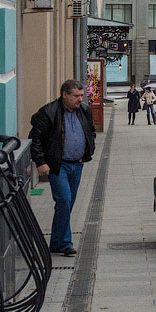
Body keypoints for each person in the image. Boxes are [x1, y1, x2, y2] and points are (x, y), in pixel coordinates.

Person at [29, 79, 95, 257]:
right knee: (64, 200)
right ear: (64, 95)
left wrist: (89, 148)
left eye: (81, 95)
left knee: (67, 204)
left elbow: (91, 131)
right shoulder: (49, 112)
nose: (80, 99)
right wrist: (41, 162)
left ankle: (56, 242)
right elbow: (35, 138)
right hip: (58, 165)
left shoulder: (85, 111)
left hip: (77, 164)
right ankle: (65, 243)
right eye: (76, 96)